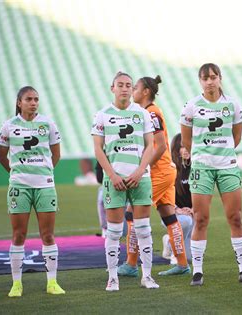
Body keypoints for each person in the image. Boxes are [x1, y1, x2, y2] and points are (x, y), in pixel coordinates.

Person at [180, 63, 242, 286]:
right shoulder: (192, 106)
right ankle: (198, 272)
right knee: (201, 219)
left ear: (220, 78)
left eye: (213, 77)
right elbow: (186, 139)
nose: (210, 81)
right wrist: (202, 155)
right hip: (202, 167)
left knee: (235, 217)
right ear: (200, 81)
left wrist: (221, 153)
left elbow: (237, 136)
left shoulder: (232, 105)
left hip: (227, 166)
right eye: (205, 78)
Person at [91, 71, 159, 291]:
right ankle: (112, 278)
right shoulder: (102, 115)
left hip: (141, 179)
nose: (124, 88)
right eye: (120, 85)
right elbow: (98, 149)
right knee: (113, 231)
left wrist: (140, 171)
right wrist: (112, 175)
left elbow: (151, 145)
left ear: (132, 90)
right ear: (112, 88)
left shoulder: (142, 114)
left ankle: (147, 276)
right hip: (115, 180)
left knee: (143, 229)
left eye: (128, 85)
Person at [118, 75, 190, 277]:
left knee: (132, 212)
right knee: (169, 216)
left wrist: (142, 167)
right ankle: (182, 264)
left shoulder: (151, 113)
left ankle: (131, 265)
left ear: (145, 92)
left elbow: (161, 146)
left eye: (135, 88)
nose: (132, 92)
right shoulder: (147, 112)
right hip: (166, 170)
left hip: (158, 172)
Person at [0, 86, 65, 297]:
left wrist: (43, 172)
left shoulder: (48, 124)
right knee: (19, 235)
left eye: (36, 99)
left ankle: (52, 282)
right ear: (19, 102)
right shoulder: (9, 126)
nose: (33, 102)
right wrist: (17, 174)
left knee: (48, 235)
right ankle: (16, 284)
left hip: (45, 185)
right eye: (29, 99)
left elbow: (56, 155)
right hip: (19, 186)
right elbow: (2, 157)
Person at [161, 133, 194, 263]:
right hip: (172, 213)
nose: (186, 150)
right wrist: (176, 209)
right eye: (182, 147)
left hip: (192, 213)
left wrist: (194, 208)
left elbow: (204, 193)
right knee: (185, 221)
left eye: (188, 146)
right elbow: (162, 196)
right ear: (176, 149)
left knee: (191, 257)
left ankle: (169, 241)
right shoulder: (170, 168)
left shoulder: (197, 167)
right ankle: (172, 248)